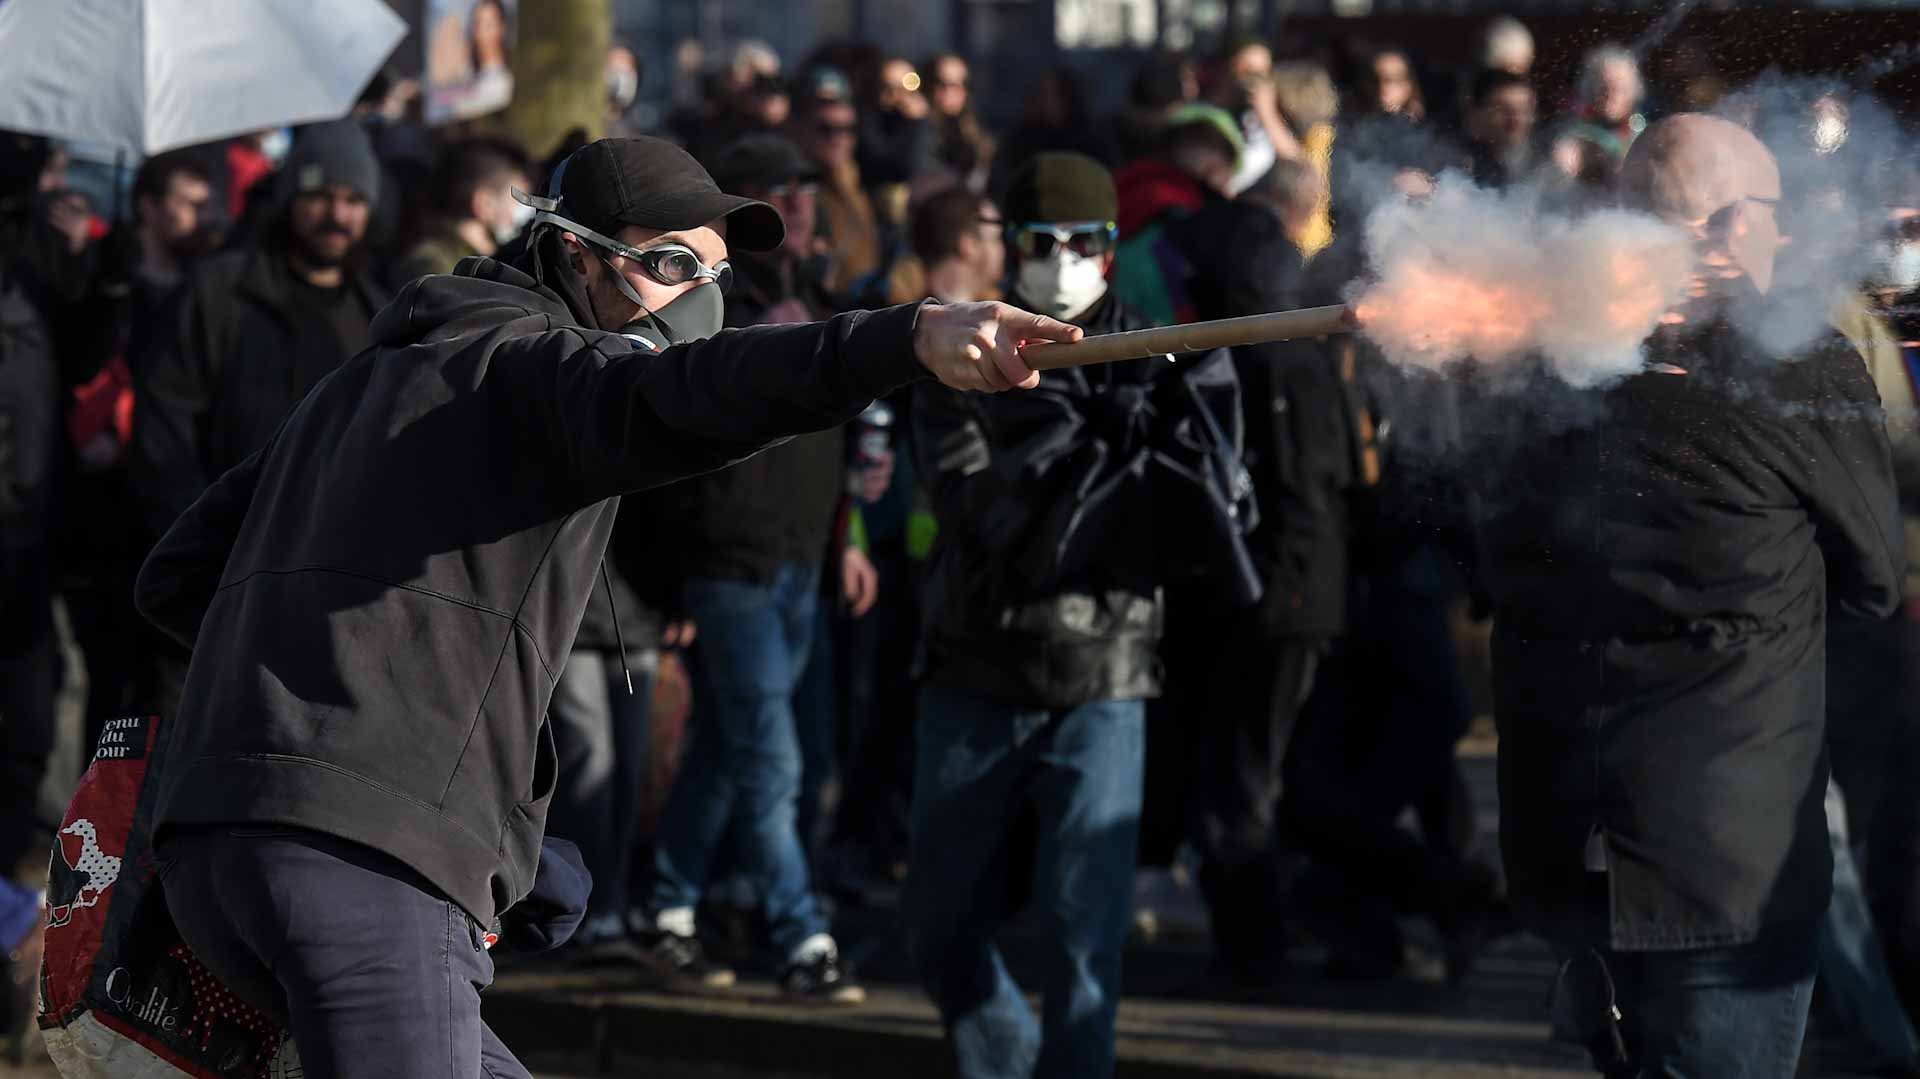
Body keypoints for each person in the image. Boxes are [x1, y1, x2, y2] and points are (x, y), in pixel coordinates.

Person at [135, 133, 1079, 1079]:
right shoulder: (534, 368)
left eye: (711, 271)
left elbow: (179, 575)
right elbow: (682, 393)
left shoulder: (359, 383)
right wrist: (905, 337)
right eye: (669, 264)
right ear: (574, 253)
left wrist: (467, 799)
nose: (697, 299)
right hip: (366, 869)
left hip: (216, 848)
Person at [1471, 114, 1902, 1076]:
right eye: (1771, 214)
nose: (1784, 238)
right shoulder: (1798, 369)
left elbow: (1484, 562)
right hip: (1724, 865)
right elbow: (1874, 573)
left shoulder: (1534, 368)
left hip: (1570, 851)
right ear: (1726, 225)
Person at [906, 152, 1253, 1079]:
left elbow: (1202, 514)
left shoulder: (1159, 355)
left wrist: (1143, 452)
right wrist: (1100, 467)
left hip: (1107, 678)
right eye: (1041, 241)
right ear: (1007, 247)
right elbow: (981, 508)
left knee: (1085, 947)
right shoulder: (959, 354)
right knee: (938, 929)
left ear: (1111, 249)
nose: (1062, 258)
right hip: (974, 670)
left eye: (1084, 242)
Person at [638, 133, 877, 1002]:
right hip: (727, 567)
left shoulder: (819, 300)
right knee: (773, 759)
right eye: (781, 192)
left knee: (726, 749)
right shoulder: (704, 304)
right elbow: (659, 452)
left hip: (799, 565)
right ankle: (801, 934)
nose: (803, 207)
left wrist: (847, 536)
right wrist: (667, 583)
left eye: (805, 188)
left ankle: (667, 911)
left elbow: (848, 428)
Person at [132, 120, 389, 543]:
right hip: (221, 555)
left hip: (329, 560)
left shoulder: (379, 317)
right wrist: (197, 543)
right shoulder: (218, 293)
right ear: (290, 198)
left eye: (354, 200)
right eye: (321, 196)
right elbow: (165, 427)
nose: (337, 216)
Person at [61, 150, 219, 751]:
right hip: (106, 513)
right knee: (109, 681)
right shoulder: (111, 279)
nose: (201, 216)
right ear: (148, 207)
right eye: (187, 203)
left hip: (171, 504)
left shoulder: (211, 286)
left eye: (207, 203)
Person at [392, 138, 533, 286]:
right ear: (483, 204)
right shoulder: (433, 269)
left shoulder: (496, 262)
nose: (525, 210)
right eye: (519, 199)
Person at [792, 72, 881, 301]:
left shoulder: (862, 186)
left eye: (847, 129)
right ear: (800, 128)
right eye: (826, 129)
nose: (838, 138)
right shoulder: (791, 192)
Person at [1208, 35, 1305, 198]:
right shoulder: (1209, 115)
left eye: (1263, 73)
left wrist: (1267, 113)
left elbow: (1298, 164)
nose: (1255, 80)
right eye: (1248, 72)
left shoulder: (1278, 116)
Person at [925, 52, 996, 191]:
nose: (951, 91)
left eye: (961, 84)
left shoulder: (976, 133)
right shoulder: (921, 128)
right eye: (942, 83)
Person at [1465, 69, 1542, 190]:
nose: (1515, 120)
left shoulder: (1545, 170)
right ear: (1475, 112)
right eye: (1503, 110)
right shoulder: (1455, 161)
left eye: (1524, 110)